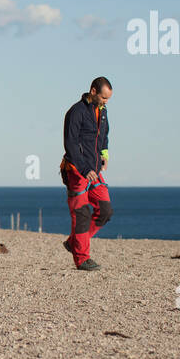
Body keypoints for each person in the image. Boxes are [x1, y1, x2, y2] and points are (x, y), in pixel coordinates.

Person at [61, 76, 112, 270]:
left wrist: (104, 154)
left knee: (105, 211)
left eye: (108, 99)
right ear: (93, 91)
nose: (106, 102)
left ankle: (74, 241)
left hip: (95, 171)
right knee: (81, 215)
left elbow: (104, 135)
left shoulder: (103, 111)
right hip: (76, 170)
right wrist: (84, 169)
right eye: (104, 98)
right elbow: (70, 144)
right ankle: (82, 259)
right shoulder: (76, 112)